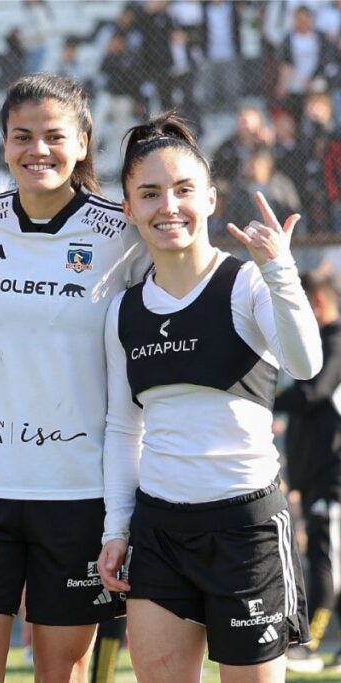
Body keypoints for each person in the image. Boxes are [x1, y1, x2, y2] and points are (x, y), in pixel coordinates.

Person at [0, 73, 149, 681]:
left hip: (77, 492)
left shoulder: (122, 230)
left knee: (63, 674)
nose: (38, 150)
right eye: (21, 136)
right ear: (2, 144)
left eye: (54, 136)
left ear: (82, 142)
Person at [98, 113, 322, 682]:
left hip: (246, 533)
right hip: (160, 532)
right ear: (128, 208)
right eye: (148, 194)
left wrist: (281, 272)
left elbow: (305, 363)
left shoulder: (247, 284)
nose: (167, 206)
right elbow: (125, 429)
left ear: (211, 199)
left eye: (182, 190)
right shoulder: (122, 311)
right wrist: (116, 530)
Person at [274, 269, 341, 673]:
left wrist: (267, 399)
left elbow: (312, 393)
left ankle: (310, 642)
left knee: (324, 559)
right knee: (319, 555)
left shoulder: (334, 344)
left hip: (332, 479)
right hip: (315, 478)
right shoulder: (316, 346)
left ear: (315, 304)